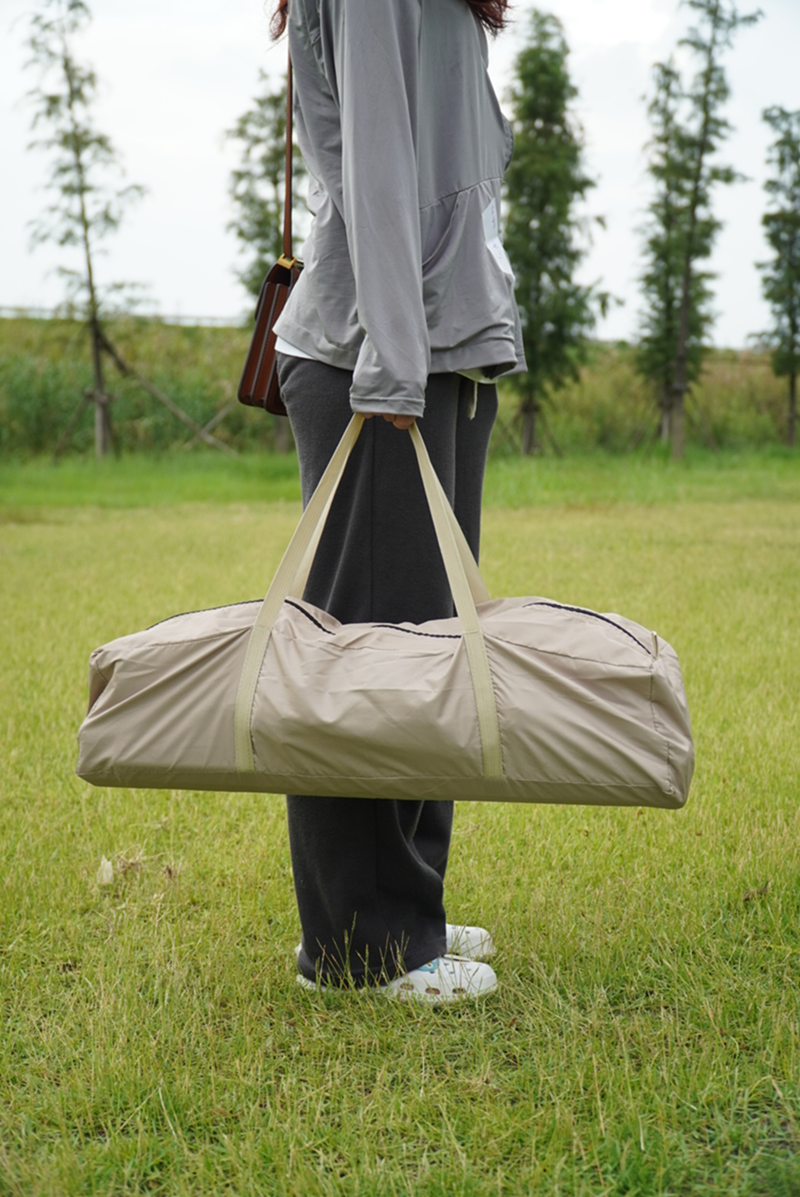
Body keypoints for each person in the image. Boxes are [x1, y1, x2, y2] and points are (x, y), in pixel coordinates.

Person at [270, 0, 525, 1003]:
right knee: (362, 662)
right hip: (382, 361)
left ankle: (404, 907)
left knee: (426, 653)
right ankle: (357, 946)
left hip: (437, 351)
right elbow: (376, 167)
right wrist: (396, 371)